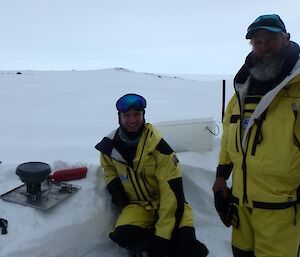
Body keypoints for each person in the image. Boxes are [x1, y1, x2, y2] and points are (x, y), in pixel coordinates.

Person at [212, 14, 300, 257]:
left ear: (286, 38)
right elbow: (230, 138)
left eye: (271, 39)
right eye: (257, 42)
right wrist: (221, 180)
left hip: (282, 211)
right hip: (241, 207)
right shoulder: (242, 90)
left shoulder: (297, 88)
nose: (264, 47)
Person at [95, 93, 208, 257]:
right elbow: (109, 168)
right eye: (127, 115)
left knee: (187, 246)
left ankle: (159, 246)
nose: (132, 120)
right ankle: (153, 247)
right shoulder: (109, 147)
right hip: (138, 205)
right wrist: (115, 188)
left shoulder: (159, 148)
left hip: (170, 204)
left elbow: (171, 195)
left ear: (143, 116)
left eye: (137, 115)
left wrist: (162, 237)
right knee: (122, 235)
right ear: (119, 117)